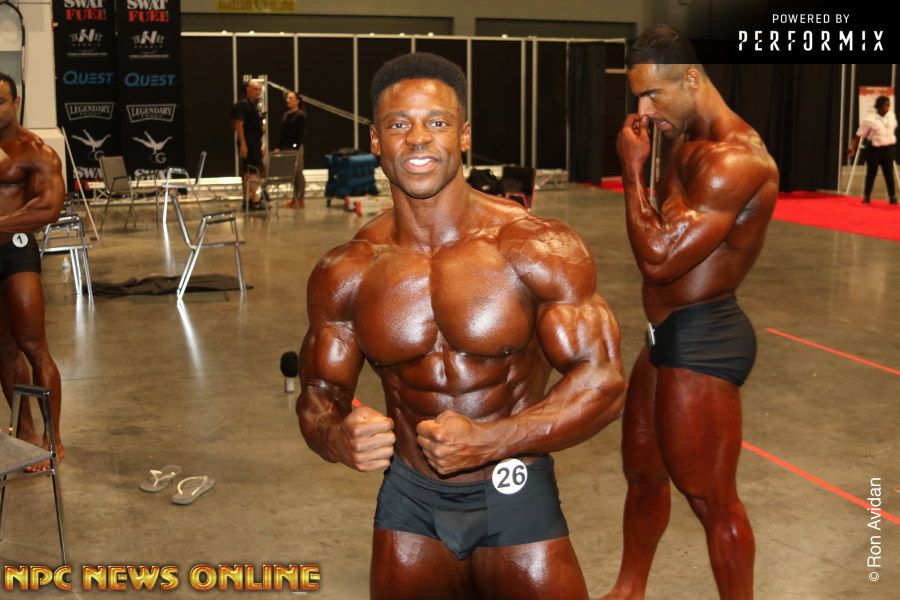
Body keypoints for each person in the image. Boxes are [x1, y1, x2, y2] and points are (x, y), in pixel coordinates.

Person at [296, 52, 626, 600]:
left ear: (464, 135)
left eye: (437, 122)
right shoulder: (348, 270)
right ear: (375, 140)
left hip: (515, 492)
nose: (417, 139)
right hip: (410, 502)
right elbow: (317, 393)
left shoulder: (534, 246)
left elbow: (604, 383)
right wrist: (335, 435)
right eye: (398, 125)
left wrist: (493, 440)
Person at [601, 26, 778, 600]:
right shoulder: (684, 139)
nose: (644, 111)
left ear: (692, 80)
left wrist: (630, 171)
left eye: (653, 95)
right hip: (664, 337)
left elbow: (658, 258)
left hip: (703, 339)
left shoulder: (735, 159)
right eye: (637, 97)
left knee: (710, 499)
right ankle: (628, 590)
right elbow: (664, 228)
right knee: (642, 475)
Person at [0, 72, 66, 471]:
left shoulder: (36, 151)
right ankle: (24, 431)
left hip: (16, 252)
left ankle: (52, 437)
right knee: (3, 349)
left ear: (16, 103)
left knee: (33, 346)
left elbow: (48, 207)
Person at [848, 95, 897, 205]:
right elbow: (859, 135)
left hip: (888, 149)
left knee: (889, 173)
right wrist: (852, 147)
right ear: (879, 106)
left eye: (889, 105)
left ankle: (892, 196)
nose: (888, 108)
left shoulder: (891, 116)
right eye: (886, 106)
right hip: (874, 150)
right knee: (871, 173)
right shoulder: (870, 119)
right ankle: (867, 196)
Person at [230, 79, 266, 210]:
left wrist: (260, 144)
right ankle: (255, 200)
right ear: (248, 89)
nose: (257, 92)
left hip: (254, 142)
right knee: (252, 171)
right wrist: (243, 144)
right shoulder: (243, 105)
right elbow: (238, 125)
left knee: (247, 171)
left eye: (259, 90)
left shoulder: (254, 105)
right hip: (249, 142)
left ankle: (248, 199)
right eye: (255, 89)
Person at [274, 90, 307, 208]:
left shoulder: (301, 115)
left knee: (298, 173)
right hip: (285, 147)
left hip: (295, 149)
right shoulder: (286, 115)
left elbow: (300, 134)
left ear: (297, 101)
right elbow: (282, 133)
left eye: (291, 98)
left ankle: (301, 198)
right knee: (292, 174)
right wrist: (278, 146)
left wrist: (295, 147)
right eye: (287, 98)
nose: (288, 100)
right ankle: (294, 197)